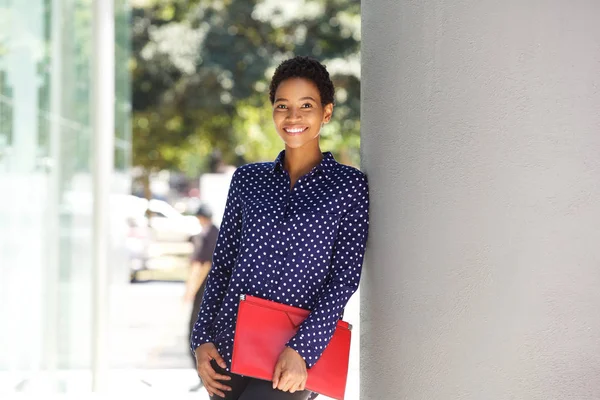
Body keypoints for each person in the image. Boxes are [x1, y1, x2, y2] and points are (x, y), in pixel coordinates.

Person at [190, 56, 370, 400]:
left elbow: (343, 280)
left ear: (326, 113)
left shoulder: (348, 187)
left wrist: (303, 350)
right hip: (227, 347)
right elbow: (223, 264)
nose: (293, 116)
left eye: (306, 105)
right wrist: (201, 338)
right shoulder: (247, 180)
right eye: (282, 105)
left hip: (294, 356)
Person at [185, 205, 220, 371]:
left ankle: (202, 371)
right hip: (210, 288)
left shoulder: (211, 234)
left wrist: (192, 288)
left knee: (195, 330)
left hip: (206, 288)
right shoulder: (213, 232)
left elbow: (204, 264)